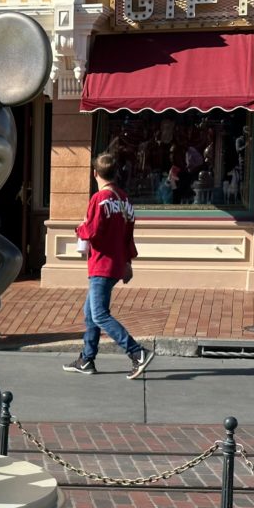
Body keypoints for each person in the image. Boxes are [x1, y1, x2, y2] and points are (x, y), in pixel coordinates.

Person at [63, 152, 154, 380]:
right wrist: (127, 262)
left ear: (95, 173)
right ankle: (87, 359)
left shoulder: (99, 198)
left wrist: (79, 229)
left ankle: (137, 352)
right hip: (116, 264)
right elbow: (128, 235)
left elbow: (92, 230)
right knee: (90, 312)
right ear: (115, 173)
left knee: (100, 314)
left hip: (101, 264)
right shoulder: (124, 199)